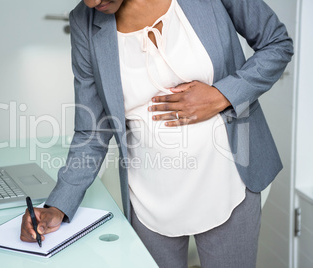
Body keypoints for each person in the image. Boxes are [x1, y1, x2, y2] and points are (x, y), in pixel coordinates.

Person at [20, 0, 293, 267]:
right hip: (148, 200)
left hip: (229, 181)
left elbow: (277, 44)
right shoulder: (84, 22)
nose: (93, 3)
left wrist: (223, 95)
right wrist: (58, 206)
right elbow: (93, 129)